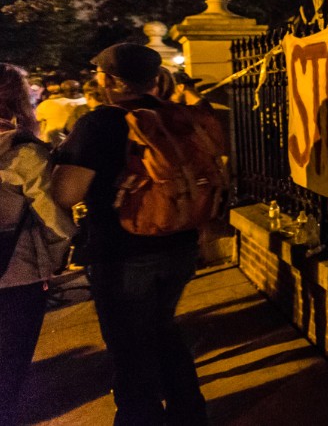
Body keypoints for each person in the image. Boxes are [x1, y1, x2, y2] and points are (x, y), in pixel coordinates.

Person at [52, 44, 208, 426]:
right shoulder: (177, 117)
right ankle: (191, 414)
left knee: (130, 347)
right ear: (154, 78)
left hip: (123, 252)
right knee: (162, 329)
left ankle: (140, 419)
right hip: (181, 242)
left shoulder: (98, 123)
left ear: (108, 79)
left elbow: (65, 194)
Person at [0, 63, 77, 426]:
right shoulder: (21, 151)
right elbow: (53, 217)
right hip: (15, 274)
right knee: (9, 368)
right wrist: (61, 255)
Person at [35, 79, 86, 147]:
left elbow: (36, 120)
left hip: (54, 146)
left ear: (61, 90)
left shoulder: (48, 104)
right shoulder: (88, 102)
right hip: (81, 145)